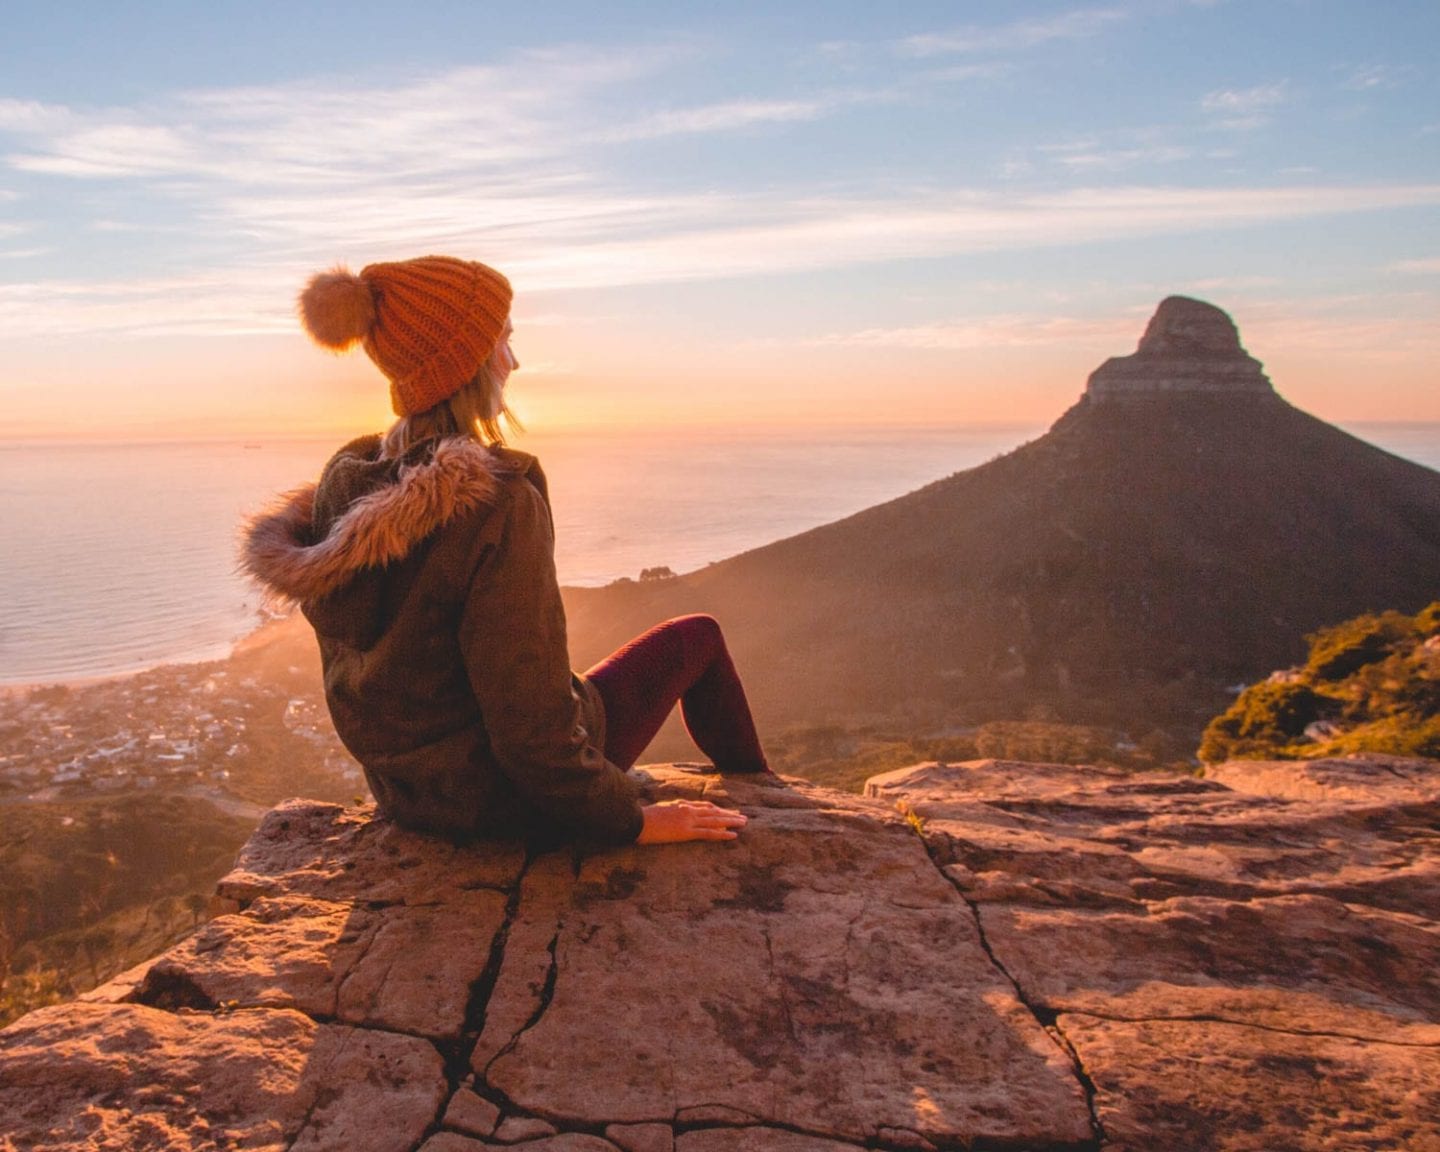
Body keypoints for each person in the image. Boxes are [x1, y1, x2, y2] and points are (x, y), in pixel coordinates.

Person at [242, 255, 765, 848]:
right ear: (464, 361)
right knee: (697, 637)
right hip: (508, 799)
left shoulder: (347, 485)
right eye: (503, 342)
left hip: (412, 793)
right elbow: (530, 729)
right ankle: (765, 802)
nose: (514, 362)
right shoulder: (495, 502)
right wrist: (632, 821)